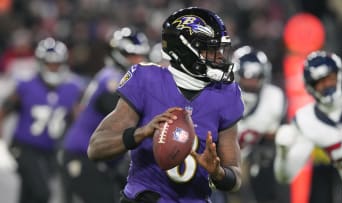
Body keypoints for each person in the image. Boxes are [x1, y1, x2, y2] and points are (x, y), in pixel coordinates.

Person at [87, 7, 244, 202]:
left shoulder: (226, 93)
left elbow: (235, 177)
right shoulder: (147, 79)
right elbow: (96, 148)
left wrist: (218, 172)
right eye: (210, 49)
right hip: (146, 197)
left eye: (220, 49)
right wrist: (141, 133)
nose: (219, 56)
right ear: (185, 49)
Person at [61, 26, 150, 203]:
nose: (138, 60)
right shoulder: (111, 78)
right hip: (84, 154)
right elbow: (119, 111)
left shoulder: (116, 76)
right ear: (117, 53)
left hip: (102, 156)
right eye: (132, 55)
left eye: (141, 55)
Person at [0, 37, 83, 203]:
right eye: (49, 63)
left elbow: (79, 121)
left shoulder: (72, 88)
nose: (53, 68)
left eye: (57, 63)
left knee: (29, 193)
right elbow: (3, 111)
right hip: (24, 146)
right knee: (41, 192)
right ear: (40, 63)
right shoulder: (25, 85)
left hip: (51, 150)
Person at [274, 51, 342, 203]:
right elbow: (286, 176)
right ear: (310, 87)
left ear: (341, 75)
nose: (326, 85)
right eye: (319, 82)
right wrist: (283, 152)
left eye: (330, 78)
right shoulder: (307, 120)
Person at [231, 46, 288, 203]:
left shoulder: (273, 99)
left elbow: (277, 136)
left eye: (255, 77)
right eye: (246, 76)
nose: (250, 82)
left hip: (250, 162)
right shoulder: (219, 96)